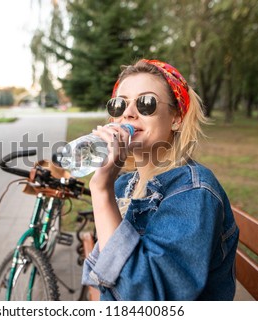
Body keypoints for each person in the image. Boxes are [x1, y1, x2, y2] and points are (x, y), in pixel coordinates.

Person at [82, 59, 239, 300]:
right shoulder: (124, 185)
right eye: (119, 104)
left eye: (146, 103)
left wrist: (101, 191)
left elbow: (147, 299)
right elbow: (101, 276)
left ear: (176, 117)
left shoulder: (194, 190)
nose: (128, 113)